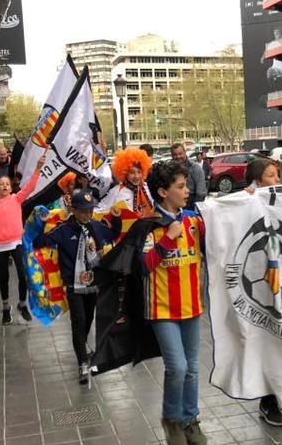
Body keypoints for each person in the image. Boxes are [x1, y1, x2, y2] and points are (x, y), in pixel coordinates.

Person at [143, 160, 207, 445]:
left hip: (192, 305)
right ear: (162, 192)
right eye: (180, 187)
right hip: (162, 308)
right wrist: (168, 240)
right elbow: (144, 265)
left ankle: (190, 420)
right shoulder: (149, 224)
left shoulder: (194, 220)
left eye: (186, 185)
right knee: (178, 367)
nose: (187, 191)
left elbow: (224, 234)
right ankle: (171, 420)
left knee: (193, 367)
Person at [34, 188, 121, 383]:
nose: (87, 214)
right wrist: (41, 223)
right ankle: (82, 362)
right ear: (73, 210)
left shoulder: (96, 227)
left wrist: (116, 218)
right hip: (73, 286)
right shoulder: (64, 230)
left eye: (90, 210)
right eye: (83, 211)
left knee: (88, 319)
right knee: (78, 322)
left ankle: (83, 346)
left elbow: (112, 235)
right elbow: (40, 241)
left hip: (93, 284)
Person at [242, 158, 282, 427]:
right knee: (270, 339)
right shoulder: (247, 200)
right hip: (263, 288)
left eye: (278, 175)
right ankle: (268, 401)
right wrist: (246, 200)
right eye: (271, 176)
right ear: (258, 182)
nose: (277, 181)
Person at [0, 154, 46, 325]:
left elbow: (29, 188)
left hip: (16, 242)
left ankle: (22, 304)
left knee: (23, 276)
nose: (5, 186)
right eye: (1, 184)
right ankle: (6, 308)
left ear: (10, 187)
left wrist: (37, 168)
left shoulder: (16, 199)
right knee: (3, 278)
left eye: (7, 184)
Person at [97, 147, 153, 216]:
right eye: (132, 172)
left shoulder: (148, 188)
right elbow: (100, 210)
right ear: (125, 173)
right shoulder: (116, 191)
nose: (136, 176)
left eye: (139, 172)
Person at [171, 143, 207, 210]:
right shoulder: (168, 170)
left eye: (180, 154)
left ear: (185, 152)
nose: (178, 157)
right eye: (175, 155)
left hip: (190, 207)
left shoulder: (196, 168)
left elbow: (201, 194)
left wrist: (194, 211)